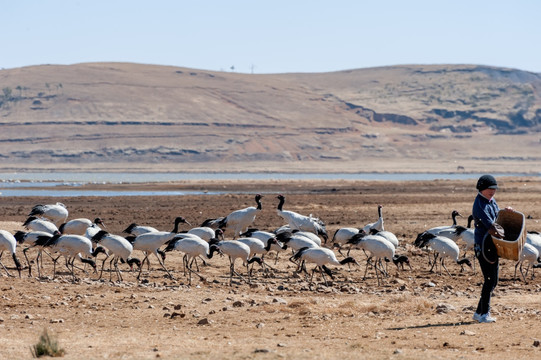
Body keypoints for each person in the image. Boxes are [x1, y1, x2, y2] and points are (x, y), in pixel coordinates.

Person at [472, 174, 507, 323]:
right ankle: (484, 314)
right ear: (481, 188)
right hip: (483, 246)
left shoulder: (491, 201)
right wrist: (508, 238)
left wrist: (507, 212)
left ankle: (479, 312)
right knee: (489, 280)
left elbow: (498, 217)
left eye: (494, 189)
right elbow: (491, 226)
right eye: (489, 189)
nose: (492, 191)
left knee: (493, 280)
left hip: (492, 246)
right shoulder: (480, 204)